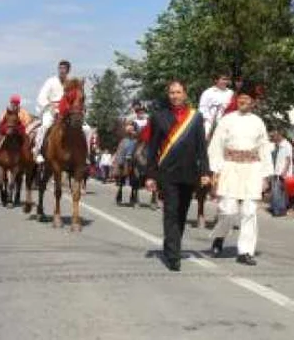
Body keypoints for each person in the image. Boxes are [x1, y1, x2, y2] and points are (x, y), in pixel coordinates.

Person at [144, 80, 209, 272]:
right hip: (168, 173)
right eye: (172, 92)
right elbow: (153, 148)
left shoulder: (196, 117)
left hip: (189, 173)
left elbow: (201, 148)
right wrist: (150, 175)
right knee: (171, 212)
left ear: (185, 94)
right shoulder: (158, 117)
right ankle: (173, 256)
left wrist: (205, 172)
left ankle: (170, 245)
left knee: (181, 213)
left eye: (178, 92)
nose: (175, 95)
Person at [208, 81, 273, 266]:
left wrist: (265, 176)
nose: (243, 101)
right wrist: (215, 171)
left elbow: (264, 150)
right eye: (241, 98)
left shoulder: (258, 122)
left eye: (247, 99)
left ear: (253, 102)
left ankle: (245, 251)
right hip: (230, 168)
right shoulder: (227, 119)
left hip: (252, 169)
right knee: (228, 210)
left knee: (249, 211)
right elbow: (216, 146)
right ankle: (219, 237)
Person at [34, 60, 71, 162]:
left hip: (66, 111)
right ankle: (38, 151)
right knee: (45, 126)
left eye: (64, 69)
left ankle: (84, 155)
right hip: (50, 109)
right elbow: (42, 97)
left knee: (85, 128)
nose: (62, 71)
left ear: (68, 71)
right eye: (60, 68)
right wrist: (50, 107)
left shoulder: (70, 83)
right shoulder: (51, 81)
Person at [198, 72, 233, 140]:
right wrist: (210, 120)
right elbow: (202, 109)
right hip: (210, 121)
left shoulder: (230, 93)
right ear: (216, 80)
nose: (225, 82)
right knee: (205, 137)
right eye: (223, 79)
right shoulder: (208, 92)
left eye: (226, 80)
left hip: (226, 122)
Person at [269, 128, 293, 217]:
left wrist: (284, 171)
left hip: (282, 172)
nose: (274, 137)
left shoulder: (287, 145)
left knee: (279, 192)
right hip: (276, 171)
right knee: (276, 191)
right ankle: (277, 209)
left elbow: (288, 159)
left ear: (280, 135)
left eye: (276, 135)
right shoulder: (277, 145)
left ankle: (279, 210)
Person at [114, 123, 139, 206]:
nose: (132, 132)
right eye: (130, 130)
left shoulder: (137, 142)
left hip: (134, 162)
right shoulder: (124, 141)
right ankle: (119, 195)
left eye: (133, 130)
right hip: (125, 162)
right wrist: (120, 161)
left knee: (134, 180)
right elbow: (120, 152)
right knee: (122, 180)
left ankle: (133, 197)